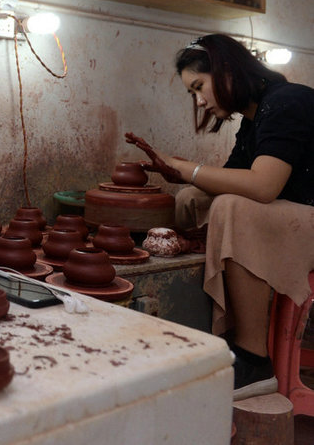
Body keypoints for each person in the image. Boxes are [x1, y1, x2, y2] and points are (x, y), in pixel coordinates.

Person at [126, 33, 314, 401]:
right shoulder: (254, 118)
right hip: (294, 220)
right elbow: (225, 182)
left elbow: (263, 187)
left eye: (199, 87)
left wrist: (187, 167)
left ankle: (253, 358)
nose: (199, 101)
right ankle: (209, 324)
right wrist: (178, 173)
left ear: (226, 70)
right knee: (192, 198)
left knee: (231, 207)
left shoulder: (288, 101)